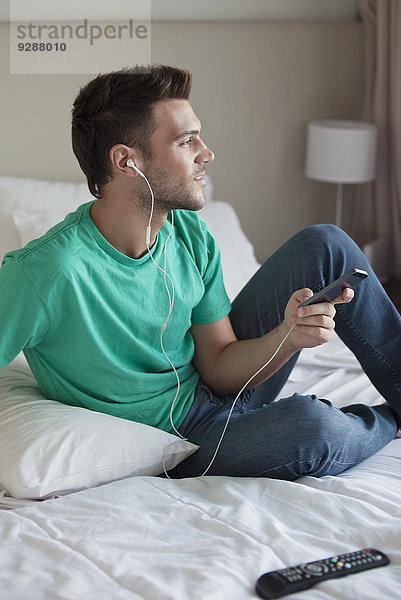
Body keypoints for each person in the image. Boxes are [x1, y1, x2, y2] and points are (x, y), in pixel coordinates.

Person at [0, 64, 400, 480]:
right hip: (179, 443)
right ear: (126, 161)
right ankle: (390, 420)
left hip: (219, 391)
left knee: (326, 244)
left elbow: (219, 365)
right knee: (313, 426)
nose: (206, 153)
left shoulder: (190, 234)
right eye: (186, 141)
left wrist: (288, 336)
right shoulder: (45, 272)